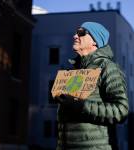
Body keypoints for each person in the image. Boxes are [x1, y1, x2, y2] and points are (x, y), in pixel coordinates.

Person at [54, 22, 129, 150]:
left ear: (95, 41)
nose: (75, 36)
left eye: (81, 33)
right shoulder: (73, 70)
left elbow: (121, 111)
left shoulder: (108, 67)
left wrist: (82, 106)